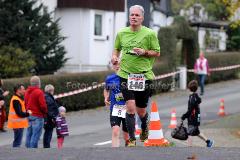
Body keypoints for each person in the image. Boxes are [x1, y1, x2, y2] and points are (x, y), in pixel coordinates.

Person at [111, 5, 160, 146]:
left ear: (142, 18)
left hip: (143, 76)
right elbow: (116, 50)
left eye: (137, 15)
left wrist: (144, 52)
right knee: (130, 107)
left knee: (141, 111)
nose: (133, 17)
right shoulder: (121, 33)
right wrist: (114, 58)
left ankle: (145, 125)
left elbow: (157, 52)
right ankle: (131, 139)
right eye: (132, 15)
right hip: (125, 75)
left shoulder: (150, 34)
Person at [181, 80, 214, 148]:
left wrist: (184, 116)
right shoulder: (195, 96)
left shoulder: (192, 98)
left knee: (189, 132)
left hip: (193, 118)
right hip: (196, 117)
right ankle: (208, 142)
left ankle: (189, 147)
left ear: (189, 88)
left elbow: (190, 110)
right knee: (196, 132)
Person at [103, 63, 129, 147]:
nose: (117, 66)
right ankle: (115, 154)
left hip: (128, 108)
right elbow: (106, 89)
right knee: (115, 130)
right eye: (115, 64)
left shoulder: (129, 77)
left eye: (119, 64)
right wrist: (106, 97)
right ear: (113, 67)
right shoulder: (109, 78)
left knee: (126, 135)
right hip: (115, 108)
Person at [25, 76, 47, 148]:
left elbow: (25, 103)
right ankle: (33, 152)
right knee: (35, 135)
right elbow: (43, 106)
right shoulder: (39, 92)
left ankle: (28, 151)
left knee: (29, 134)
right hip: (38, 116)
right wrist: (45, 112)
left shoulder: (27, 92)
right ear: (38, 83)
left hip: (29, 115)